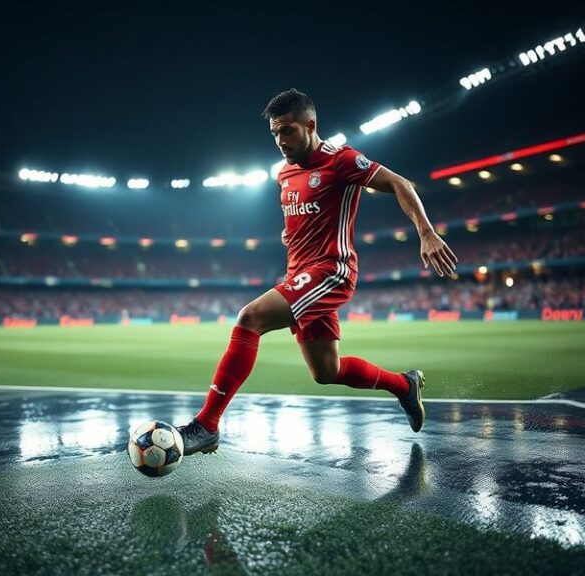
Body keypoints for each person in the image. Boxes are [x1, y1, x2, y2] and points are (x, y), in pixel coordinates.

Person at [178, 88, 457, 455]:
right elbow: (302, 221)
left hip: (332, 270)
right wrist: (289, 233)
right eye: (275, 133)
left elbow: (399, 184)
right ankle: (404, 386)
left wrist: (426, 232)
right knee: (326, 371)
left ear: (311, 125)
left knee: (250, 318)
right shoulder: (283, 174)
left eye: (288, 130)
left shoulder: (341, 160)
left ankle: (207, 425)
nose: (280, 141)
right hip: (298, 275)